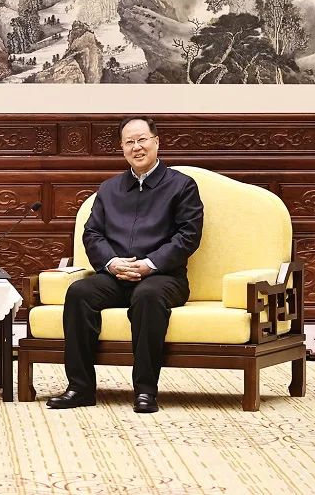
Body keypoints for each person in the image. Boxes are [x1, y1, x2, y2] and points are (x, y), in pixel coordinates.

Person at [47, 117, 203, 413]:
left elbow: (188, 236)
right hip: (116, 275)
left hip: (163, 277)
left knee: (147, 295)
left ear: (156, 142)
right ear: (122, 147)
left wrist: (149, 264)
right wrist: (111, 262)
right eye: (129, 142)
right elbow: (92, 233)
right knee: (79, 293)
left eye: (142, 139)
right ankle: (80, 388)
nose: (136, 147)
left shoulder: (182, 185)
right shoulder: (109, 189)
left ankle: (145, 391)